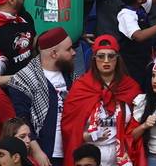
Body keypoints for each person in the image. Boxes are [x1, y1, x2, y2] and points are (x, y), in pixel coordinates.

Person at [61, 36, 142, 166]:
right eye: (101, 56)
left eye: (111, 56)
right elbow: (69, 129)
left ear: (117, 58)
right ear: (94, 59)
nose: (106, 61)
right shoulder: (81, 88)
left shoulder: (130, 87)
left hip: (121, 158)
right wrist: (89, 136)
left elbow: (136, 126)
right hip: (89, 158)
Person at [8, 28, 76, 162]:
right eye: (69, 49)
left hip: (71, 152)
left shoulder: (72, 77)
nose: (74, 53)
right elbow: (22, 120)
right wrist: (37, 152)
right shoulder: (23, 80)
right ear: (54, 53)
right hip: (45, 154)